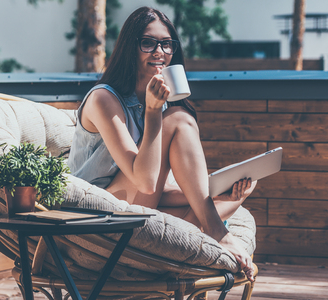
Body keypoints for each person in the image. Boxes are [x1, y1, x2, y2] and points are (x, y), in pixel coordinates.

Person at [69, 6, 256, 282]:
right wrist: (154, 113)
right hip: (96, 214)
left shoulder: (160, 103)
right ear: (129, 48)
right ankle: (218, 233)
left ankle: (206, 228)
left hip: (136, 205)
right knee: (180, 119)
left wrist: (218, 189)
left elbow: (158, 187)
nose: (159, 52)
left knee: (211, 202)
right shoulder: (103, 100)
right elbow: (144, 181)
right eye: (148, 43)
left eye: (166, 44)